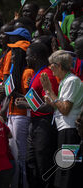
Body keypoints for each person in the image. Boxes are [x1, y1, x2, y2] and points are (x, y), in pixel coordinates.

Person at [15, 42, 59, 188]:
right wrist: (22, 98)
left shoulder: (47, 76)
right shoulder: (37, 74)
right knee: (31, 163)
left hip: (44, 125)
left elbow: (51, 106)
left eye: (28, 57)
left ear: (35, 57)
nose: (26, 60)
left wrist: (26, 105)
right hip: (34, 124)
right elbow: (37, 100)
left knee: (43, 164)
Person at [40, 50, 83, 188]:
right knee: (63, 168)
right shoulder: (65, 81)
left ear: (58, 65)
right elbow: (60, 106)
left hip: (69, 131)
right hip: (63, 129)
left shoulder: (72, 81)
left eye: (51, 65)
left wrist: (51, 92)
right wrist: (51, 100)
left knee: (67, 171)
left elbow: (65, 109)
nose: (49, 68)